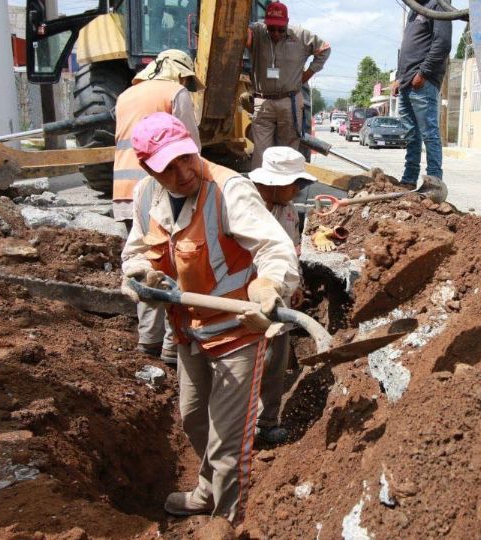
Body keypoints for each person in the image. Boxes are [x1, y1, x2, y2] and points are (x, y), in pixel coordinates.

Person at [120, 113, 300, 522]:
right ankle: (206, 490)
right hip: (187, 332)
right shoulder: (147, 195)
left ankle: (228, 519)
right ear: (150, 168)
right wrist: (139, 276)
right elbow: (133, 252)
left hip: (238, 332)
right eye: (169, 166)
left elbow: (276, 248)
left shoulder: (228, 189)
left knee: (227, 441)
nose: (183, 171)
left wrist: (270, 284)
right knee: (193, 417)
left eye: (186, 157)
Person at [113, 48, 204, 365]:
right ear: (180, 72)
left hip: (127, 190)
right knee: (172, 263)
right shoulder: (175, 92)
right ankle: (170, 345)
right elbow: (189, 144)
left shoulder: (127, 94)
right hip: (164, 188)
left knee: (144, 263)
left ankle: (147, 339)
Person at [247, 147, 315, 444]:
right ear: (273, 183)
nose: (299, 189)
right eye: (295, 184)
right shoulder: (246, 208)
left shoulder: (288, 209)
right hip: (247, 301)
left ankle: (266, 422)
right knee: (247, 364)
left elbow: (293, 248)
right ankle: (240, 425)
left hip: (281, 300)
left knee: (275, 363)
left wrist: (296, 284)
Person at [247, 1, 331, 169]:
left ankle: (285, 192)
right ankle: (260, 191)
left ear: (287, 23)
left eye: (280, 29)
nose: (276, 33)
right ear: (265, 24)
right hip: (262, 103)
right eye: (271, 29)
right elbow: (239, 32)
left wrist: (306, 76)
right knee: (261, 152)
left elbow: (325, 49)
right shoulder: (256, 31)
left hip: (290, 101)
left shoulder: (300, 36)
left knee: (287, 151)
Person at [393, 0, 452, 187]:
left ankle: (434, 182)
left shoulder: (437, 5)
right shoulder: (414, 11)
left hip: (422, 82)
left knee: (429, 134)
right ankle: (409, 179)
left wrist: (423, 73)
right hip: (406, 81)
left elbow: (442, 44)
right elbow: (408, 49)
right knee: (411, 134)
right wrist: (398, 76)